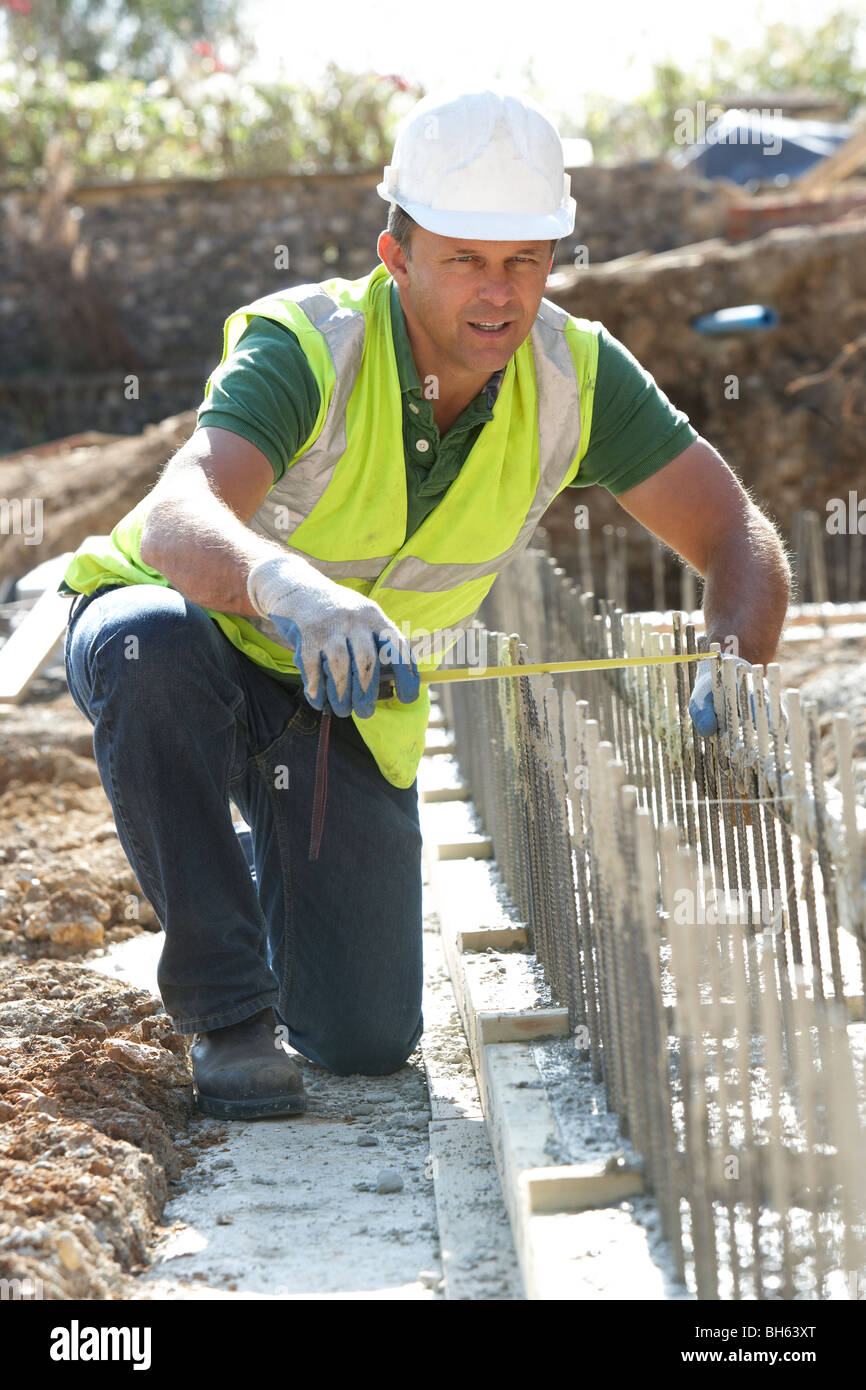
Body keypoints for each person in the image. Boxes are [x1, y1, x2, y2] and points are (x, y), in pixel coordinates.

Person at [61, 89, 790, 1120]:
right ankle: (225, 1012)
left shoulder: (573, 375)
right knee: (147, 651)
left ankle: (276, 866)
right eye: (463, 259)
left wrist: (733, 652)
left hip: (341, 700)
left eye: (523, 260)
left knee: (364, 1039)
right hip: (194, 637)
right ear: (395, 256)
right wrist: (287, 587)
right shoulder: (307, 343)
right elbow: (180, 516)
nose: (497, 294)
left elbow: (735, 535)